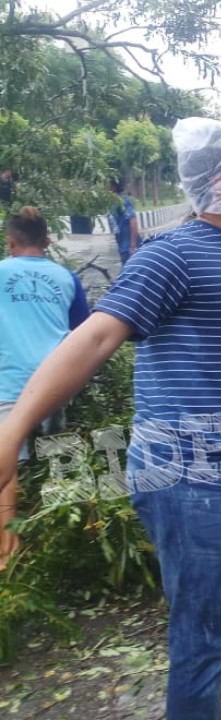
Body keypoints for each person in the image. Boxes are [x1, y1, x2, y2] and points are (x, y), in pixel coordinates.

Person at [0, 117, 221, 720]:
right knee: (205, 643)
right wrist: (12, 431)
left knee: (220, 629)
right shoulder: (175, 252)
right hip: (192, 475)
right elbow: (94, 339)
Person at [0, 206, 90, 569]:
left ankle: (7, 551)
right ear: (48, 242)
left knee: (8, 467)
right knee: (57, 449)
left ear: (10, 243)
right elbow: (83, 332)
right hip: (57, 380)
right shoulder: (67, 277)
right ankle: (68, 527)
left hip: (8, 382)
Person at [108, 179, 140, 265]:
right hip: (122, 245)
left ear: (114, 187)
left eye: (108, 185)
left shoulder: (124, 201)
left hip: (129, 246)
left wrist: (133, 246)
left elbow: (133, 221)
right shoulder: (112, 202)